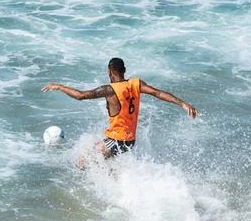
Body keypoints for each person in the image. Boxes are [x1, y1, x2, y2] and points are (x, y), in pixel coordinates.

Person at [42, 57, 198, 169]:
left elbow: (80, 96)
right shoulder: (136, 83)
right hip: (129, 141)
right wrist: (182, 103)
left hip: (117, 140)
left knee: (81, 162)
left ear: (110, 72)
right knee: (106, 163)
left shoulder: (109, 90)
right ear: (124, 71)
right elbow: (158, 93)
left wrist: (59, 86)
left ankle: (108, 194)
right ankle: (116, 185)